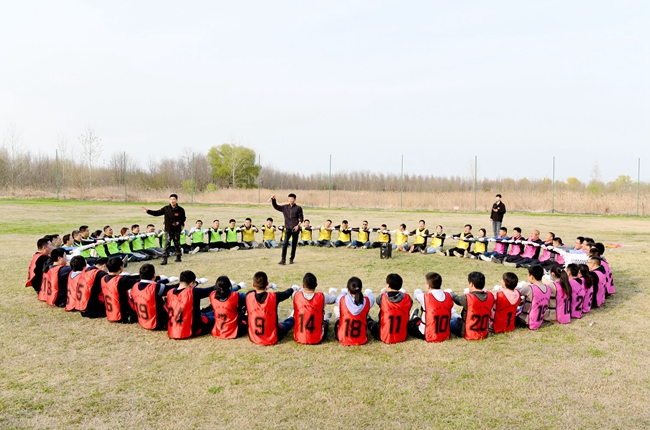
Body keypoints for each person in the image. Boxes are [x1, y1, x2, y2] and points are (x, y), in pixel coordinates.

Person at [245, 271, 296, 345]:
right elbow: (286, 293)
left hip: (254, 337)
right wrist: (293, 288)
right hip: (273, 336)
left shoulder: (248, 296)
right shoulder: (274, 296)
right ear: (267, 283)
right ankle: (292, 317)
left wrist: (268, 287)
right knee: (286, 324)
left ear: (253, 285)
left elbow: (254, 292)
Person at [166, 270, 215, 339]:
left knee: (209, 313)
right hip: (193, 329)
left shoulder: (170, 293)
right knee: (220, 317)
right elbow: (211, 289)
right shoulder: (193, 292)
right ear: (191, 283)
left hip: (173, 329)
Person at [142, 193, 187, 265]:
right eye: (171, 199)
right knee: (166, 245)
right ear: (169, 200)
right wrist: (148, 211)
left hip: (176, 230)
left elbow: (183, 218)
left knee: (177, 244)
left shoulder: (180, 209)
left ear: (177, 200)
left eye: (174, 199)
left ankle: (178, 257)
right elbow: (157, 213)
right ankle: (164, 259)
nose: (172, 201)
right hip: (168, 230)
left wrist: (178, 222)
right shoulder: (166, 209)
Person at [409, 272, 454, 342]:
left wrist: (418, 290)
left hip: (427, 333)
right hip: (445, 333)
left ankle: (414, 317)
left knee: (410, 324)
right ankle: (415, 317)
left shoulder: (424, 297)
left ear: (428, 286)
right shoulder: (448, 295)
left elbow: (416, 294)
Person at [131, 263, 179, 330]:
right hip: (158, 323)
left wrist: (167, 280)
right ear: (154, 275)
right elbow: (173, 288)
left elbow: (152, 283)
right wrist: (185, 282)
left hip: (143, 321)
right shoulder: (155, 288)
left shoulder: (135, 286)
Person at [448, 272, 494, 340]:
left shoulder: (468, 298)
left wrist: (451, 293)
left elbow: (457, 299)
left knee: (451, 321)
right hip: (483, 332)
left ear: (471, 284)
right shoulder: (491, 296)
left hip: (466, 331)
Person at [368, 274, 413, 344]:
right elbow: (410, 303)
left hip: (384, 335)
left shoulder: (382, 297)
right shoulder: (408, 298)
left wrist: (383, 293)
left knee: (370, 322)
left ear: (388, 285)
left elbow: (378, 301)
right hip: (402, 336)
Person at [293, 272, 336, 345]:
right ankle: (326, 318)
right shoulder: (323, 296)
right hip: (317, 337)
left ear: (303, 285)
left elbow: (297, 291)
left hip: (299, 337)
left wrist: (297, 288)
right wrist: (333, 291)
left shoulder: (295, 295)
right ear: (316, 285)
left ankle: (326, 317)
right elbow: (333, 299)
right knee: (324, 323)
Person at [334, 277, 375, 346]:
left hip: (343, 338)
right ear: (360, 289)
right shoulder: (367, 301)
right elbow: (372, 297)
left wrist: (344, 292)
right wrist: (368, 292)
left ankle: (338, 315)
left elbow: (338, 298)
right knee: (366, 316)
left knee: (339, 317)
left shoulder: (342, 299)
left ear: (348, 289)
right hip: (361, 339)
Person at [101, 257, 141, 323]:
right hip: (123, 315)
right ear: (120, 267)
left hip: (110, 313)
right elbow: (140, 281)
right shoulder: (120, 281)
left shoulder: (103, 278)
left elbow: (128, 278)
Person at [515, 265, 551, 330]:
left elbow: (515, 292)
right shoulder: (548, 288)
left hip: (526, 321)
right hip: (539, 320)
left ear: (531, 277)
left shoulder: (531, 288)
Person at [271, 193, 304, 265]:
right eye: (289, 199)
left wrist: (298, 226)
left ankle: (291, 259)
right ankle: (283, 260)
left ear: (294, 199)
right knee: (285, 243)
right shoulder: (285, 207)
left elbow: (301, 219)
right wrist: (273, 199)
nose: (290, 200)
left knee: (294, 244)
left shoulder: (298, 208)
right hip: (288, 228)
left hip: (295, 229)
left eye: (292, 199)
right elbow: (276, 206)